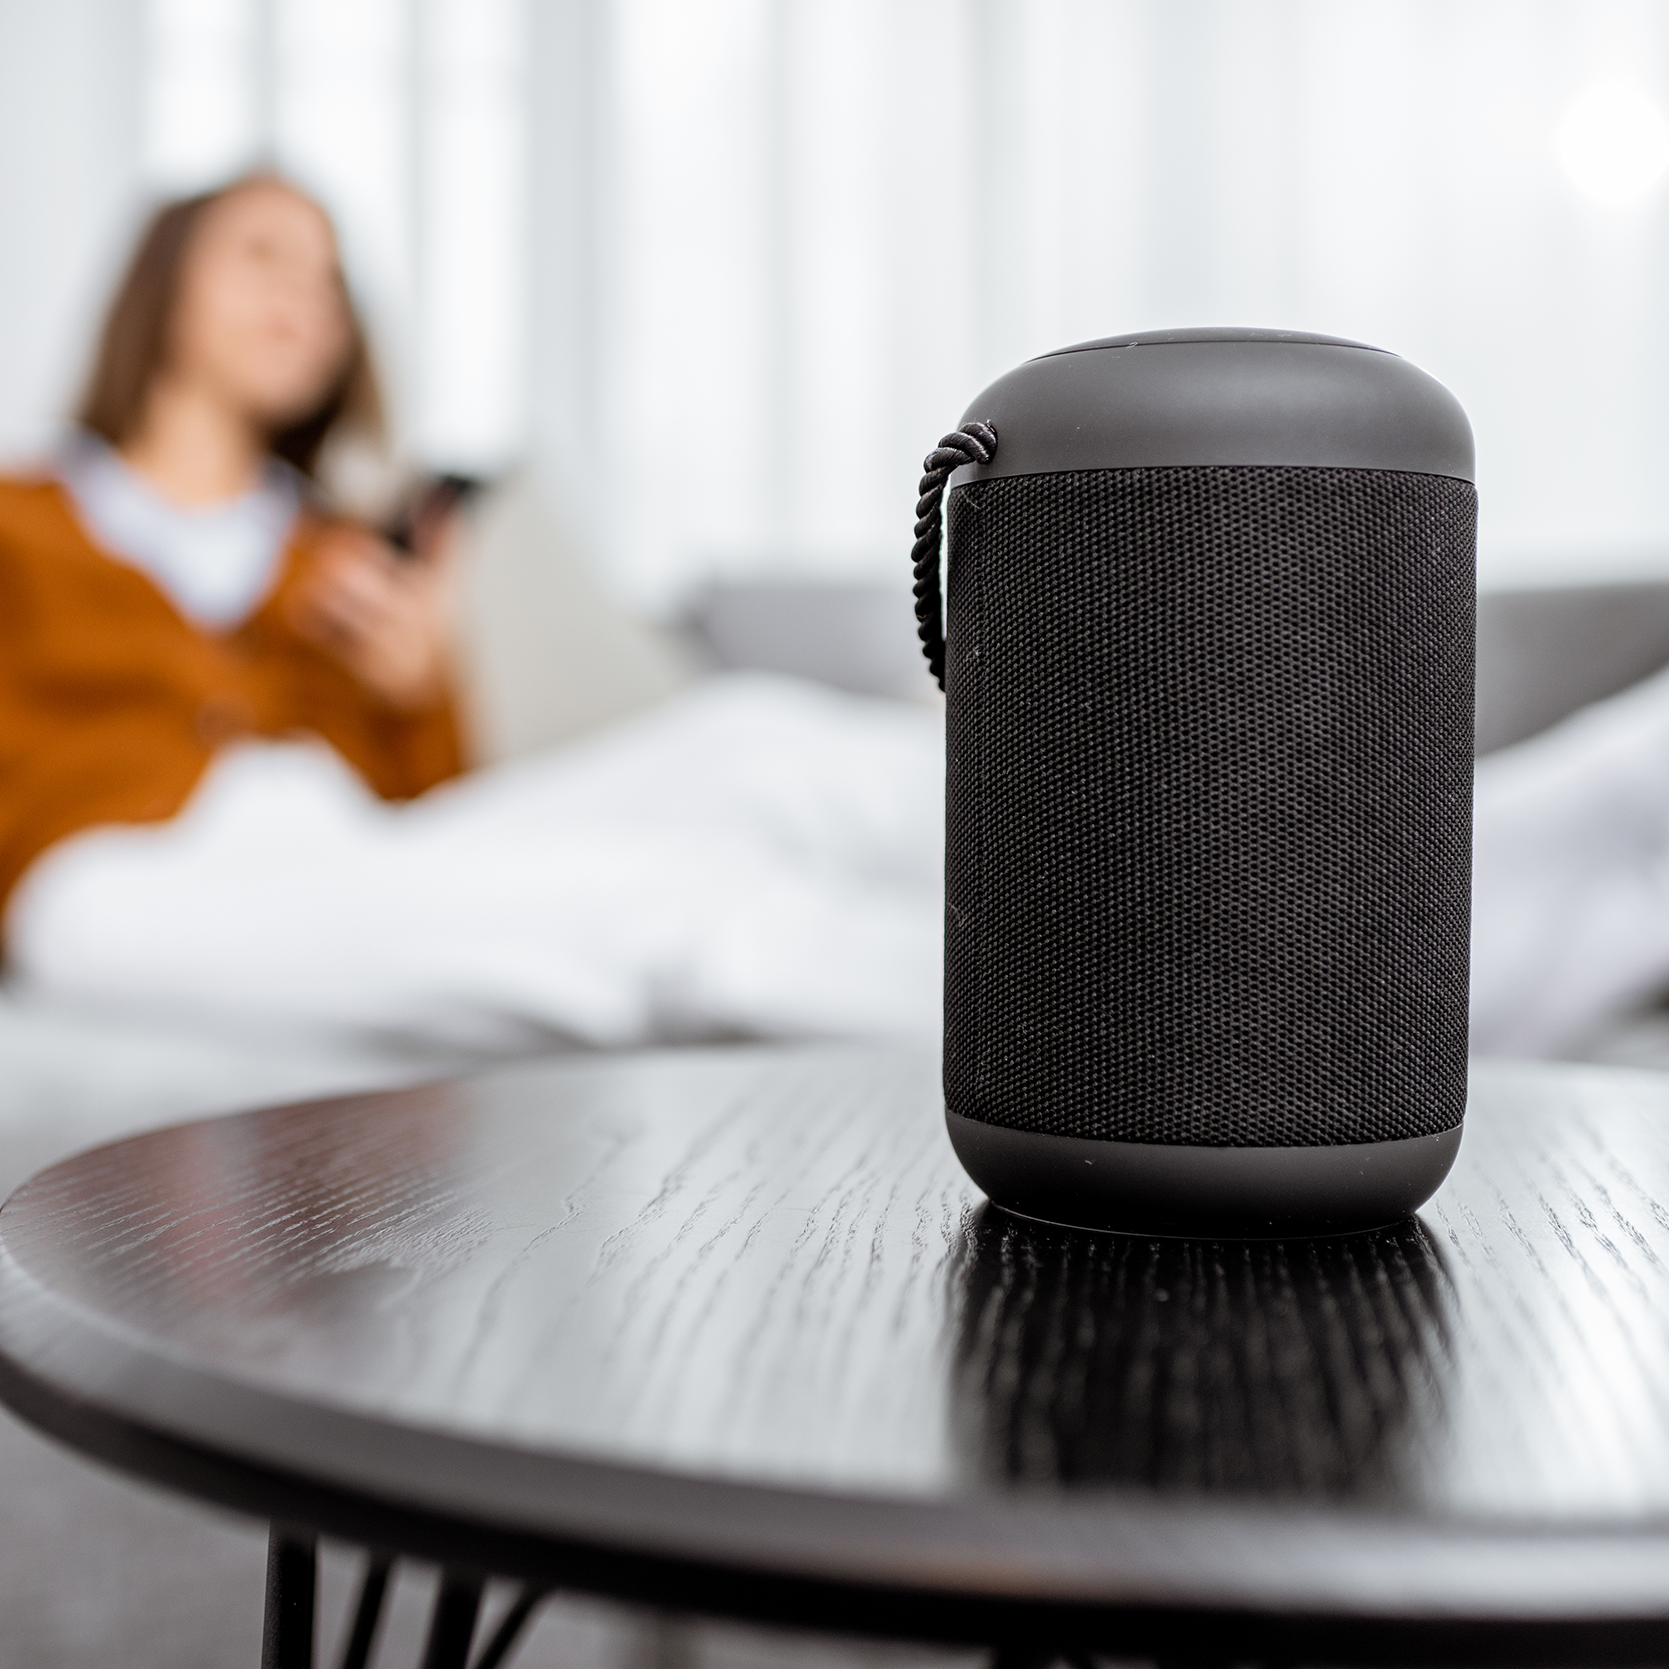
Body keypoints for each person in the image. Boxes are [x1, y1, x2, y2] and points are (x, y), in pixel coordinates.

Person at [0, 175, 943, 1049]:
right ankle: (1066, 1036)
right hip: (110, 876)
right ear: (160, 285)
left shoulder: (332, 549)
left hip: (338, 839)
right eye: (262, 256)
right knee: (677, 913)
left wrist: (416, 686)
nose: (309, 298)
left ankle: (1076, 814)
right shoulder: (24, 522)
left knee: (750, 739)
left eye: (330, 280)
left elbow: (426, 820)